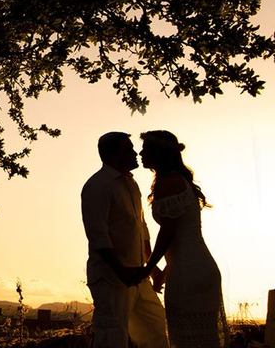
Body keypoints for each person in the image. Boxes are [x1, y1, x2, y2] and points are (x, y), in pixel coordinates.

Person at [140, 130, 229, 348]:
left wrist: (149, 268)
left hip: (187, 272)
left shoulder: (169, 183)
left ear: (159, 154)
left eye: (146, 149)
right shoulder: (177, 180)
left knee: (187, 339)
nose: (141, 153)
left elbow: (168, 232)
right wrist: (160, 275)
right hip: (193, 266)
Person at [81, 131, 170, 348]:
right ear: (114, 154)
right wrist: (121, 271)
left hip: (138, 275)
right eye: (129, 149)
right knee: (112, 335)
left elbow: (141, 230)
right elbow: (98, 235)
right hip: (111, 278)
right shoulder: (97, 185)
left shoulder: (132, 185)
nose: (135, 153)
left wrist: (152, 269)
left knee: (155, 327)